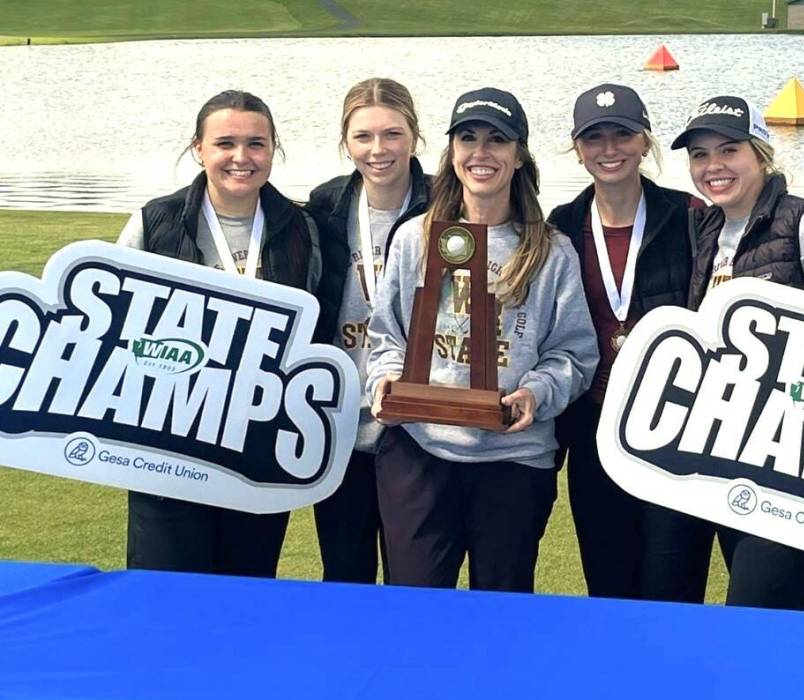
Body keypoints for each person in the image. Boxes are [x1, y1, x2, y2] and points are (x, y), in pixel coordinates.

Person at [366, 87, 599, 593]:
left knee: (502, 607)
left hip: (512, 460)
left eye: (498, 140)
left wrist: (536, 392)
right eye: (467, 138)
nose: (481, 152)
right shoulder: (415, 237)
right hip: (420, 448)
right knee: (415, 607)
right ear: (451, 153)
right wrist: (385, 381)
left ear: (519, 157)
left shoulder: (551, 251)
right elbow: (386, 336)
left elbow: (575, 354)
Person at [673, 95, 804, 610]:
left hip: (802, 463)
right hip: (731, 454)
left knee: (756, 602)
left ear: (761, 155)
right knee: (783, 614)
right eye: (699, 154)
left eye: (729, 150)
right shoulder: (709, 232)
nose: (713, 166)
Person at [117, 89, 321, 577]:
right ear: (198, 148)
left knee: (243, 596)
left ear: (274, 149)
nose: (241, 158)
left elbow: (312, 337)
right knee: (164, 595)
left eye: (256, 143)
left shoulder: (301, 229)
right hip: (167, 445)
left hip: (258, 447)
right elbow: (118, 336)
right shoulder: (154, 223)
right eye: (225, 143)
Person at [548, 83, 714, 602]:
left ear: (645, 142)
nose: (610, 148)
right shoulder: (560, 226)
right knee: (608, 584)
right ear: (578, 149)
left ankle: (675, 683)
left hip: (675, 433)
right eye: (594, 137)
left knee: (675, 587)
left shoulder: (690, 216)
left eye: (623, 134)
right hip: (594, 431)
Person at [306, 78, 431, 584]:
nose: (378, 150)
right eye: (363, 137)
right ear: (345, 141)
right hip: (338, 424)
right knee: (344, 573)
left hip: (417, 428)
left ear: (414, 137)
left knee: (413, 576)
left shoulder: (445, 203)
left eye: (392, 134)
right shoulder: (326, 205)